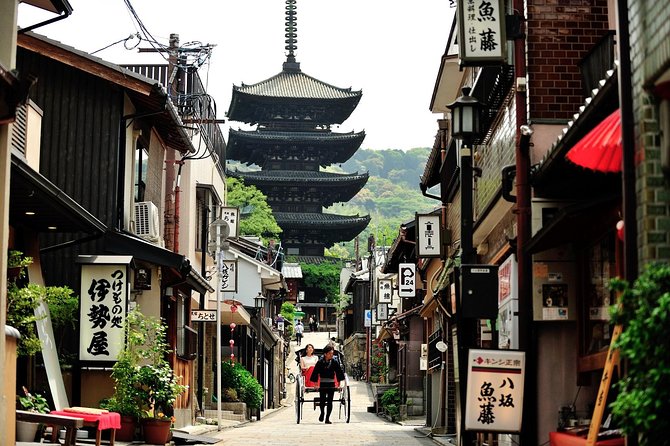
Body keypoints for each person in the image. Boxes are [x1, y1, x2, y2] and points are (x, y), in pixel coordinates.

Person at [308, 345, 345, 424]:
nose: (332, 355)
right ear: (325, 354)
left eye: (332, 353)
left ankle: (327, 418)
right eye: (330, 354)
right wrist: (315, 384)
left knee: (330, 401)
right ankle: (322, 413)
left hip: (331, 383)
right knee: (322, 400)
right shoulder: (320, 362)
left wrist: (340, 384)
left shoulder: (334, 362)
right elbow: (315, 373)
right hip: (322, 383)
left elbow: (339, 373)